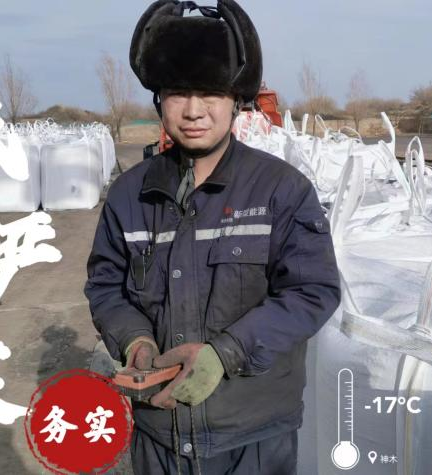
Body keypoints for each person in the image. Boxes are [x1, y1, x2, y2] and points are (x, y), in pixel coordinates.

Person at [84, 1, 341, 473]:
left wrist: (226, 353)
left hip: (253, 438)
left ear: (236, 101)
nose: (194, 110)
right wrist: (135, 341)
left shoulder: (280, 190)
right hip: (158, 434)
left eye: (211, 93)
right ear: (159, 100)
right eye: (178, 93)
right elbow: (106, 287)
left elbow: (313, 291)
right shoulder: (128, 196)